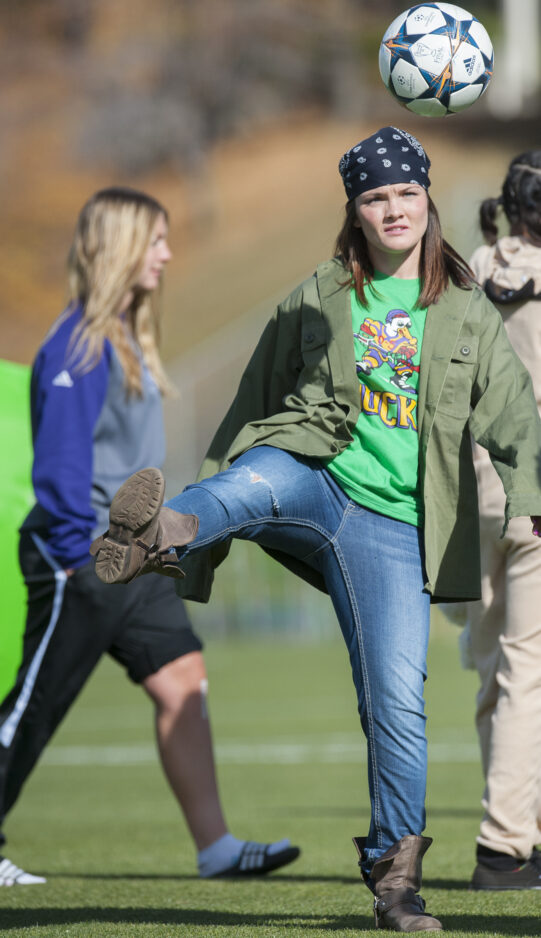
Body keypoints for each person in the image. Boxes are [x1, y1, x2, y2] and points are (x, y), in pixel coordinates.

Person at [92, 129, 541, 932]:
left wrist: (528, 495)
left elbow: (512, 416)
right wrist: (218, 479)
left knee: (396, 701)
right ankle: (164, 531)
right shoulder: (315, 294)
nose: (392, 209)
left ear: (426, 200)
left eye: (404, 193)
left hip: (394, 525)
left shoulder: (467, 306)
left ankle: (395, 883)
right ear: (354, 211)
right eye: (374, 198)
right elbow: (256, 395)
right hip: (315, 472)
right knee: (254, 479)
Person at [0, 186, 299, 887]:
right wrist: (75, 557)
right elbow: (61, 467)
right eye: (155, 241)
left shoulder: (128, 338)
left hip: (134, 558)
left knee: (183, 680)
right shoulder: (78, 345)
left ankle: (215, 848)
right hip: (79, 556)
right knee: (35, 706)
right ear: (122, 247)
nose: (166, 254)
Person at [461, 152, 541, 890]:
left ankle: (517, 826)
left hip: (474, 488)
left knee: (494, 667)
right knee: (528, 668)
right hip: (534, 483)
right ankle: (506, 846)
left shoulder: (476, 267)